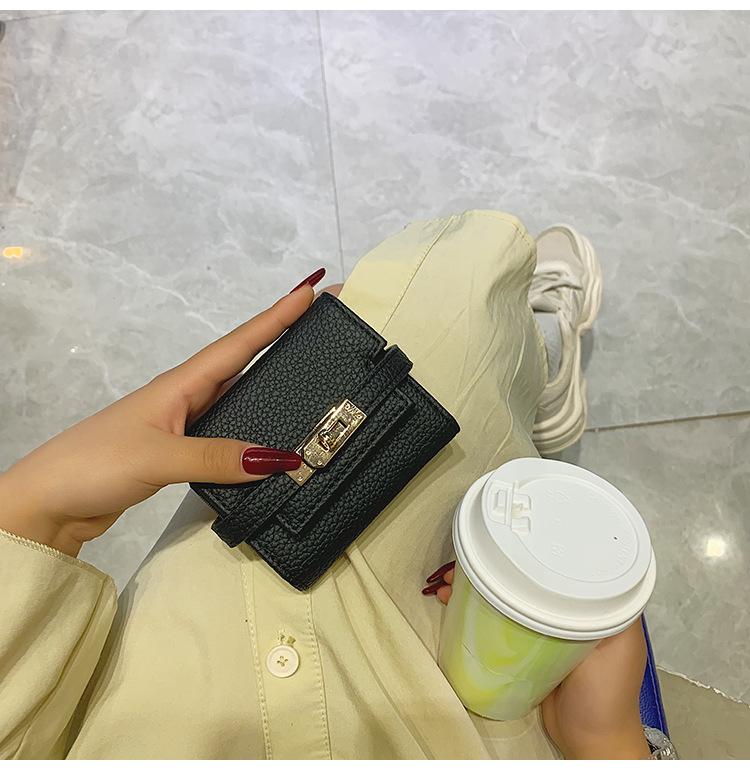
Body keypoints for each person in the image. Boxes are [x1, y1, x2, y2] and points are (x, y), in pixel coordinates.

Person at [0, 210, 651, 760]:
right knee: (458, 276)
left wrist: (35, 512)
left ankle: (524, 370)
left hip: (180, 656)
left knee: (392, 320)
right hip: (464, 711)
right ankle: (531, 361)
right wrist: (607, 743)